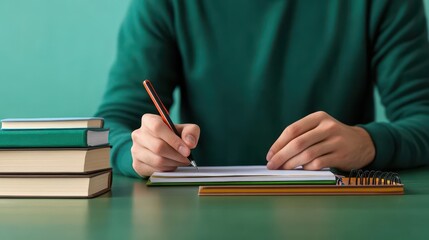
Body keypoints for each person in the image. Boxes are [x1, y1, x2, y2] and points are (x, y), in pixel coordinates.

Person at [96, 0, 429, 178]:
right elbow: (113, 122)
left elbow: (422, 115)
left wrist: (369, 144)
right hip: (204, 208)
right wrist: (135, 153)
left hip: (340, 208)